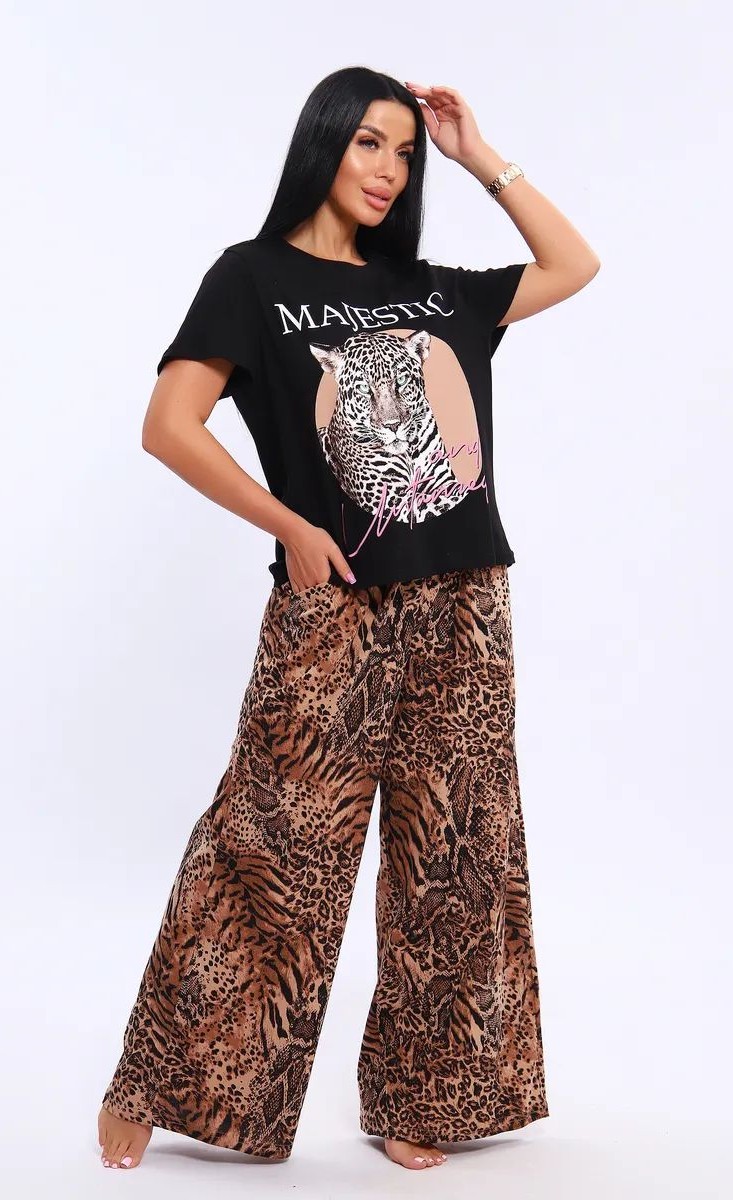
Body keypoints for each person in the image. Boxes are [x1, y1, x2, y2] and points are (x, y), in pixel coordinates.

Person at [96, 65, 600, 1173]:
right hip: (333, 604)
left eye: (404, 153)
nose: (389, 170)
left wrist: (478, 156)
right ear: (323, 141)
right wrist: (286, 523)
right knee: (271, 844)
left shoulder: (430, 288)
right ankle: (162, 1082)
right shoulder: (251, 277)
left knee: (456, 853)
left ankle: (428, 1099)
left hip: (464, 600)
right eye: (370, 143)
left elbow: (574, 264)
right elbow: (168, 424)